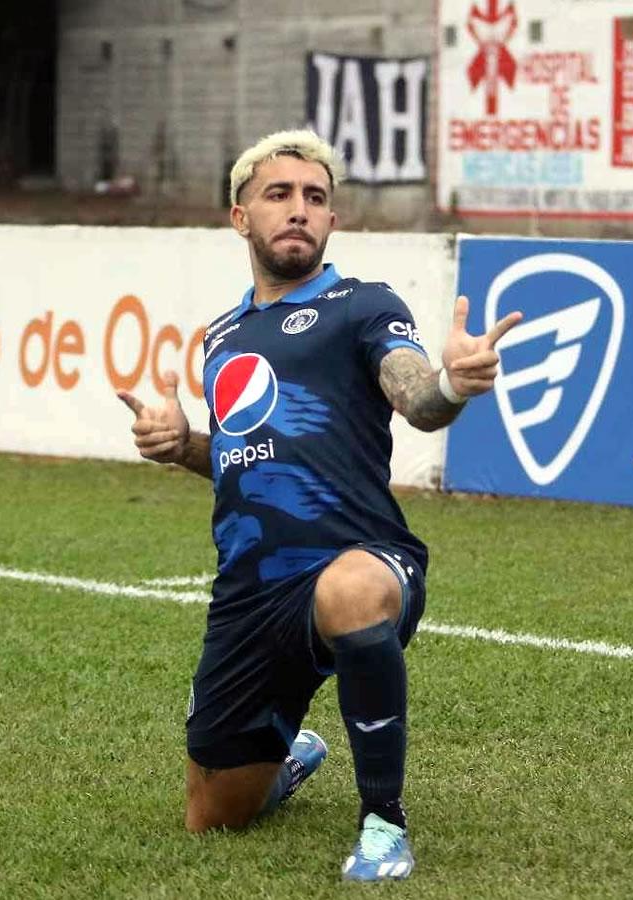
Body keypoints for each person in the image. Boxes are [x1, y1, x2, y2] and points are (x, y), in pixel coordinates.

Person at [117, 128, 520, 882]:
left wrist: (455, 384)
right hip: (249, 592)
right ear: (242, 218)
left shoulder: (362, 307)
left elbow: (417, 397)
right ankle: (289, 757)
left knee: (350, 589)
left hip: (362, 561)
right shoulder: (224, 338)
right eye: (279, 195)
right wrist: (182, 446)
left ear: (332, 221)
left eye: (315, 198)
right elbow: (246, 462)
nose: (299, 209)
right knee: (212, 815)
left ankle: (383, 823)